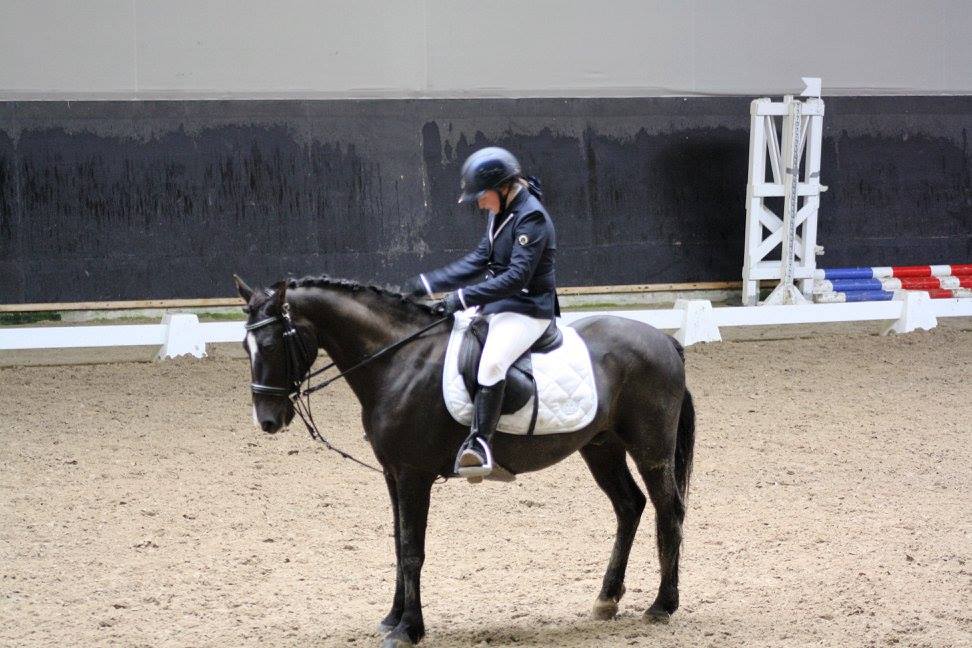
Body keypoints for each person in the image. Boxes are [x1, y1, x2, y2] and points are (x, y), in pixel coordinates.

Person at [404, 147, 558, 480]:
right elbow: (479, 259)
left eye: (481, 195)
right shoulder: (500, 212)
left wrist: (460, 297)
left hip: (528, 308)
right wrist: (428, 283)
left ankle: (480, 445)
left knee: (491, 363)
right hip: (499, 302)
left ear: (503, 187)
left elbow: (517, 277)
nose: (477, 202)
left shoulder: (532, 217)